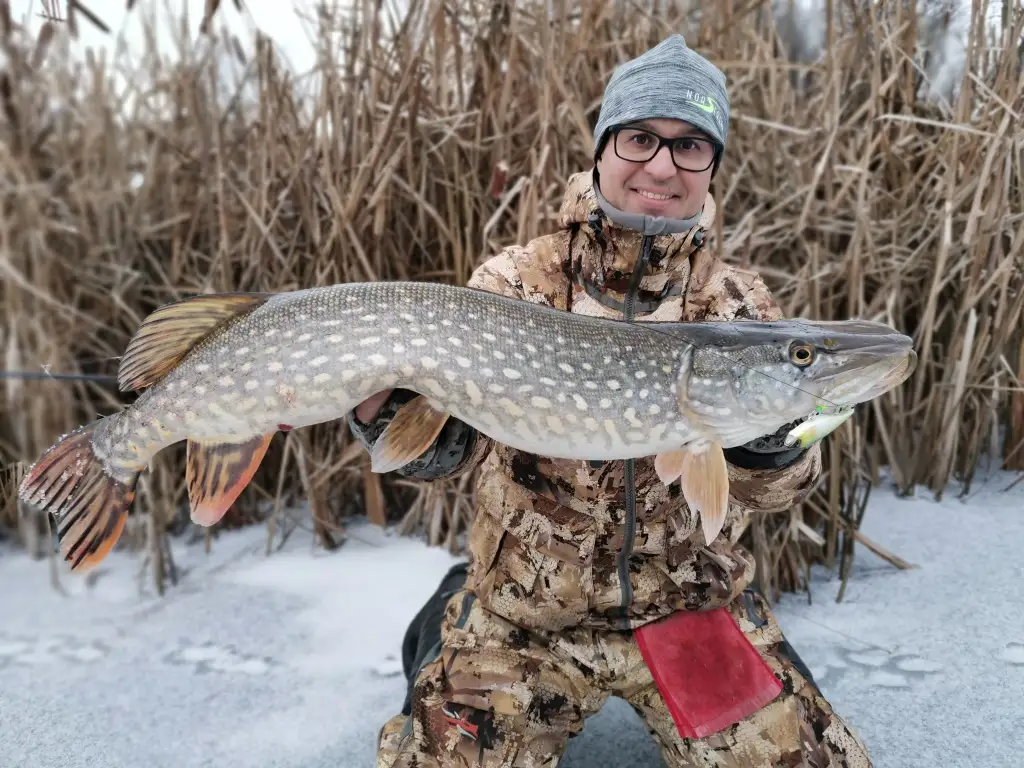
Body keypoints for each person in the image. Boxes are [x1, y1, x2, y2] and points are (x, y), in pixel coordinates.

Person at [349, 34, 872, 768]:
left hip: (686, 610)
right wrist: (375, 408)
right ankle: (453, 609)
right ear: (601, 149)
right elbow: (441, 453)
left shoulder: (738, 303)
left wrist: (767, 449)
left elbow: (775, 491)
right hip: (524, 616)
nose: (661, 165)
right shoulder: (516, 282)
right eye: (639, 138)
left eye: (691, 145)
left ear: (712, 166)